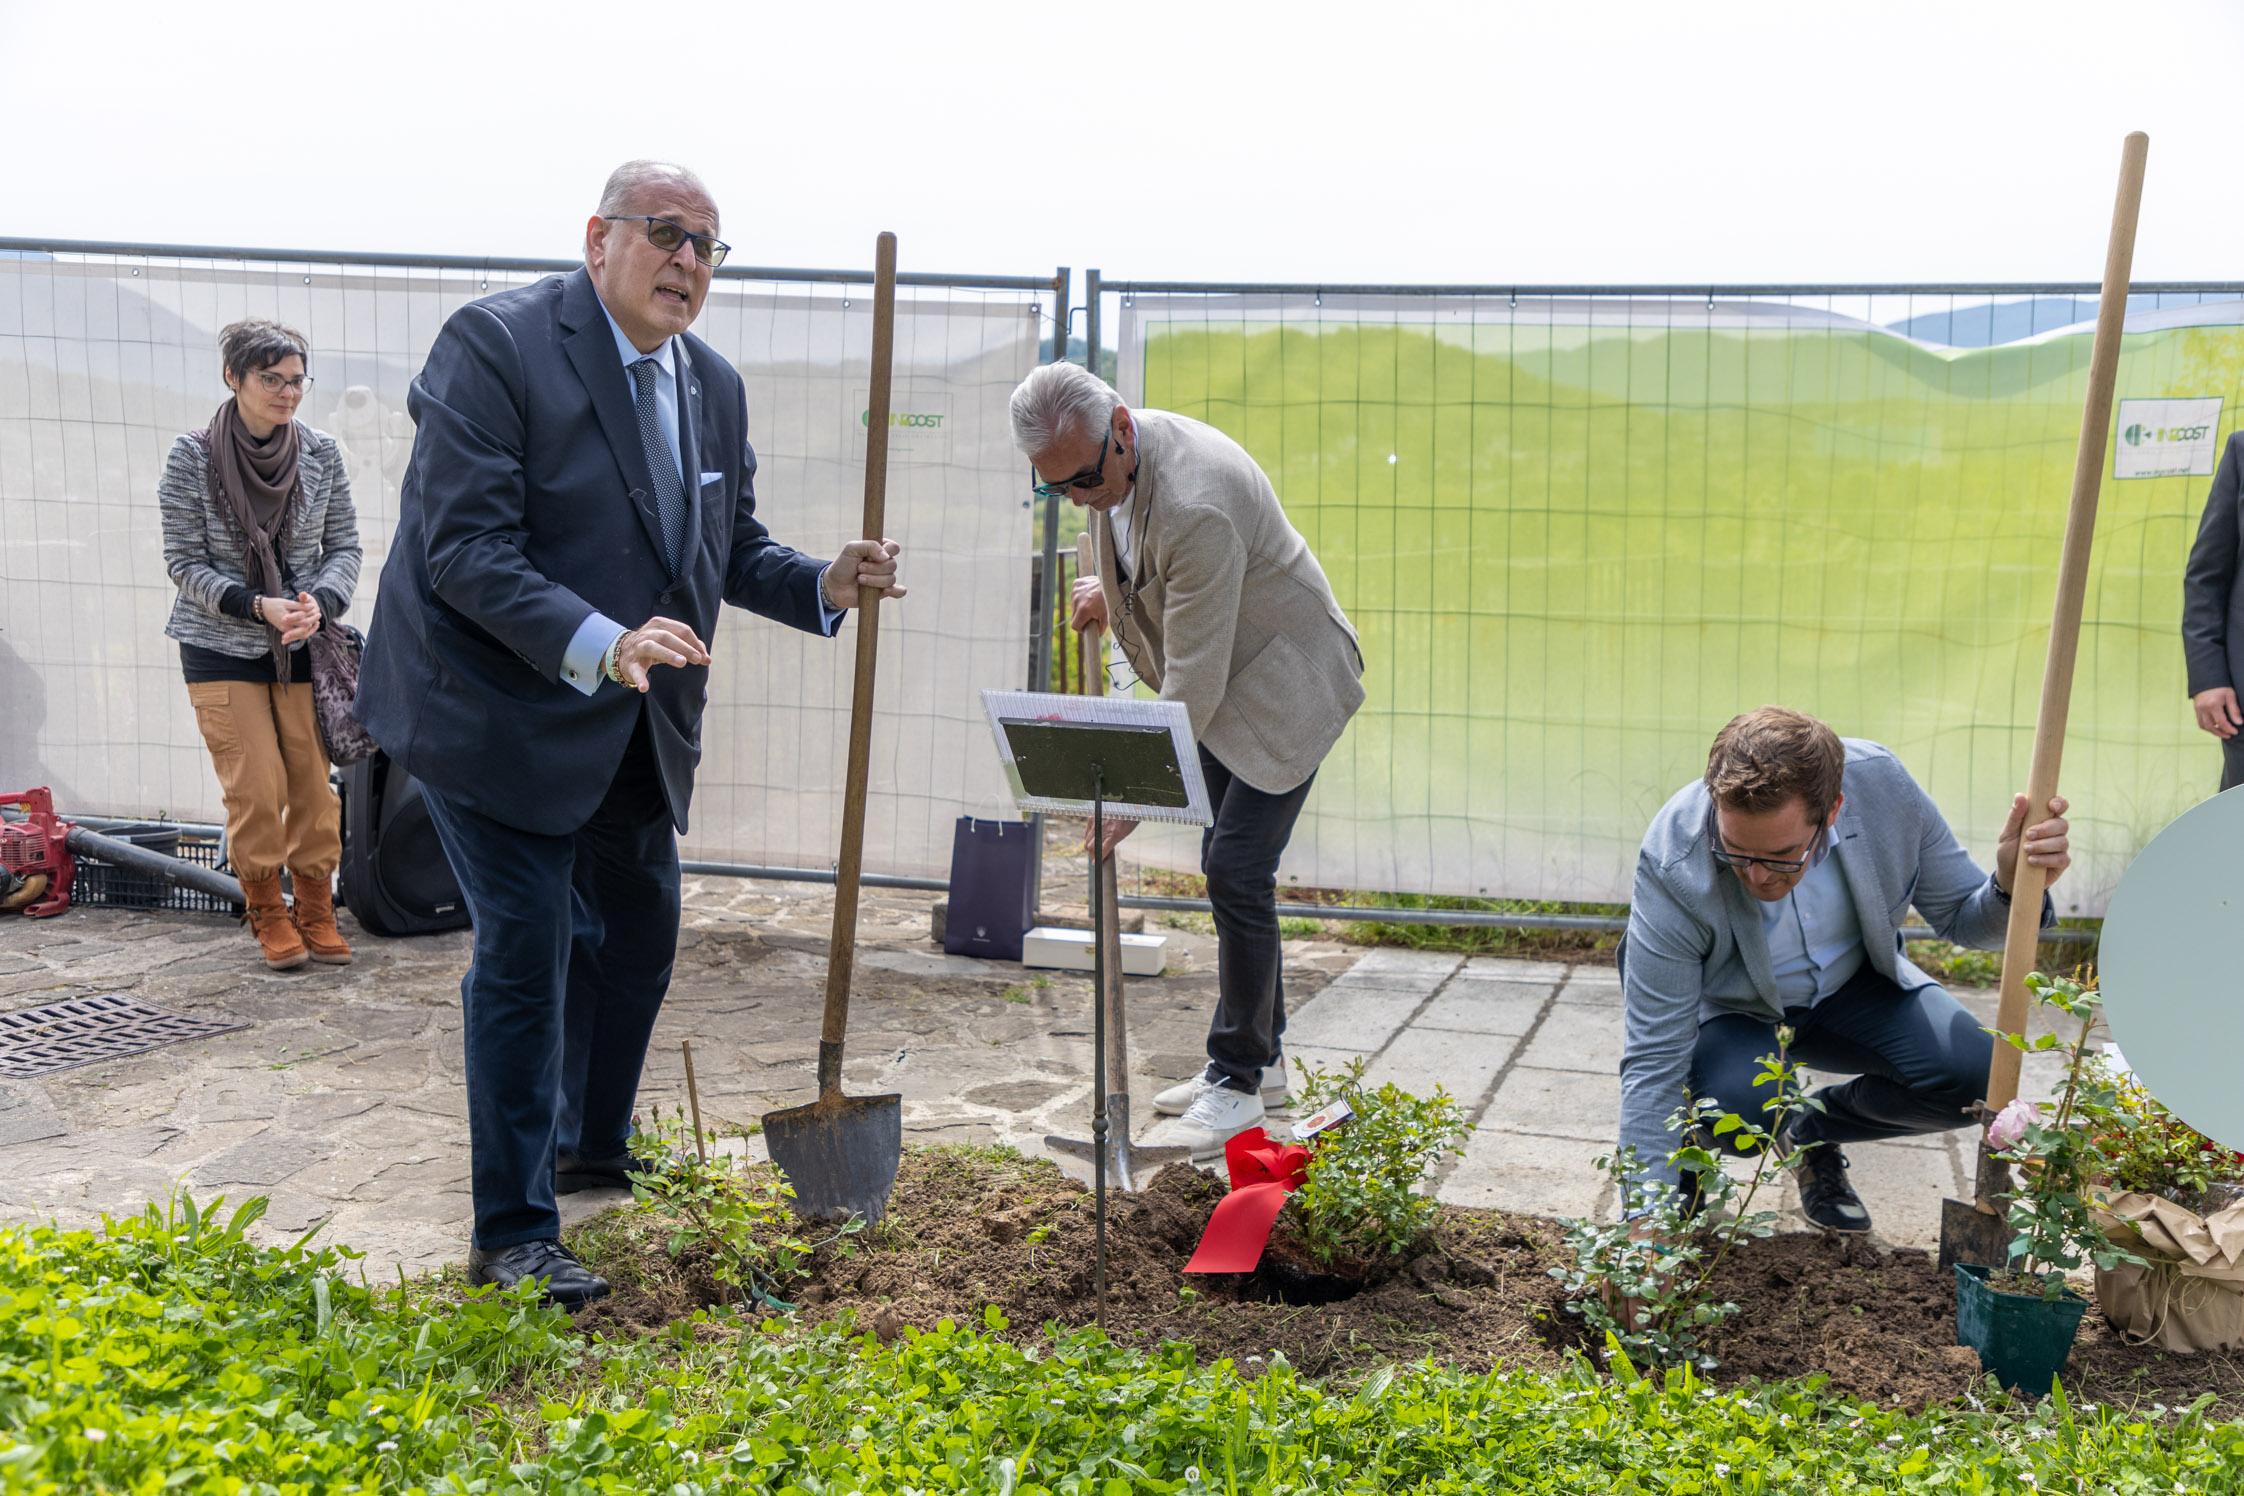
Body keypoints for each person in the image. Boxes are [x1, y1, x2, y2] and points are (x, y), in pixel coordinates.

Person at [356, 161, 904, 1309]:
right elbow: (463, 550)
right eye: (667, 234)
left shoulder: (713, 383)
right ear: (599, 236)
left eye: (710, 246)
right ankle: (511, 1229)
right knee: (528, 941)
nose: (690, 263)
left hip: (635, 712)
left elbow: (726, 548)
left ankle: (590, 1145)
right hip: (493, 705)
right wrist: (602, 637)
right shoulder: (496, 348)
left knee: (641, 930)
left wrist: (822, 584)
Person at [1008, 362, 1365, 1159]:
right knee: (1224, 861)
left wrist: (1133, 789)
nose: (1078, 498)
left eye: (1087, 479)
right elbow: (1128, 548)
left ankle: (1235, 1082)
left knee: (1237, 866)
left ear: (1123, 430)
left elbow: (1192, 679)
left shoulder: (1200, 500)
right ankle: (1261, 1062)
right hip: (1228, 678)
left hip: (1283, 684)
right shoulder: (1106, 466)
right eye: (1056, 488)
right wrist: (1113, 588)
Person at [1618, 706, 2070, 1234]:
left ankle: (1808, 1133)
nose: (1757, 875)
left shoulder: (1883, 788)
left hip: (1851, 991)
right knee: (1738, 1111)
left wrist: (2013, 885)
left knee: (1973, 1077)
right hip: (1731, 1007)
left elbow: (1966, 921)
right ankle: (1690, 1140)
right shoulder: (1676, 859)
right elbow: (1653, 1058)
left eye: (1782, 855)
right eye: (1737, 853)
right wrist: (1642, 1218)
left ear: (1832, 811)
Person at [159, 319, 362, 971]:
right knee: (258, 786)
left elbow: (345, 548)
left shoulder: (322, 453)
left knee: (311, 786)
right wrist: (255, 605)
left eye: (297, 379)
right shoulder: (191, 457)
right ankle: (267, 910)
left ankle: (315, 907)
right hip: (219, 645)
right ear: (234, 378)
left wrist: (318, 604)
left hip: (303, 645)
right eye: (271, 379)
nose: (287, 392)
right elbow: (183, 563)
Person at [2183, 428, 2244, 792]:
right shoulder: (2242, 451)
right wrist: (2208, 678)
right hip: (2242, 705)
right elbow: (2206, 577)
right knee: (2237, 833)